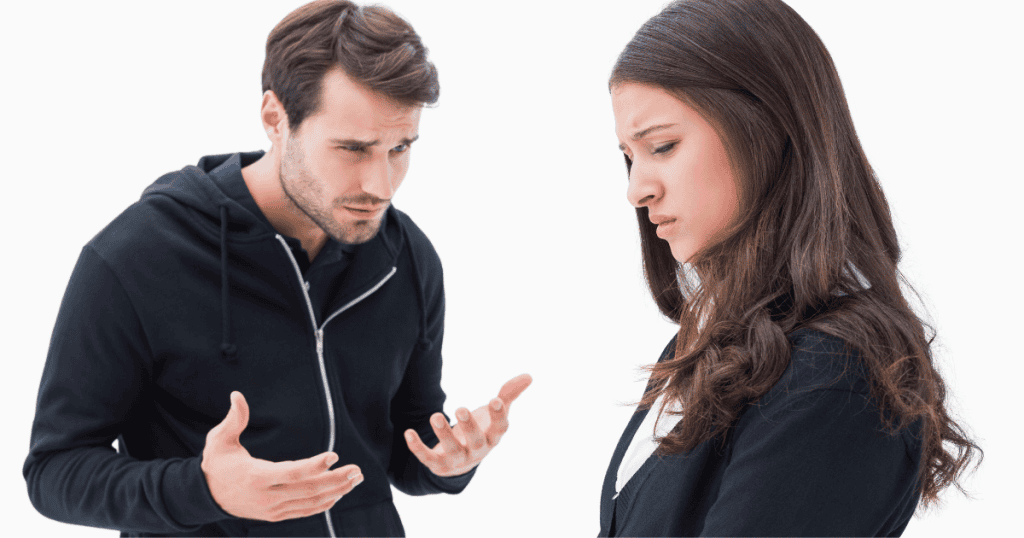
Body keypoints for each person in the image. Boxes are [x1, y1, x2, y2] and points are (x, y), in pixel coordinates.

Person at [23, 1, 531, 536]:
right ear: (275, 119)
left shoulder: (404, 256)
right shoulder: (136, 257)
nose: (380, 186)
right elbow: (55, 471)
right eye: (352, 149)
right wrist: (205, 490)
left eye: (400, 147)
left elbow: (401, 445)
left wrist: (447, 462)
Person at [601, 0, 980, 536]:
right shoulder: (722, 343)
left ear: (766, 129)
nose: (637, 188)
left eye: (662, 146)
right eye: (629, 156)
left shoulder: (834, 376)